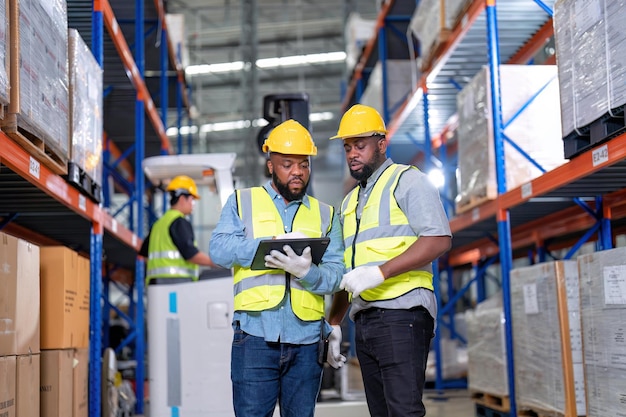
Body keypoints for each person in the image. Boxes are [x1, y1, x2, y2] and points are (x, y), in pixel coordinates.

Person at [209, 119, 345, 417]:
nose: (297, 171)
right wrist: (267, 244)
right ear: (270, 165)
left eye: (303, 164)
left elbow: (337, 276)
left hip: (307, 340)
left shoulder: (326, 215)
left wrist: (307, 272)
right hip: (255, 337)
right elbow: (218, 250)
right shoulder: (242, 202)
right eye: (287, 164)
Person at [325, 104, 452, 417]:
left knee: (403, 412)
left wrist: (381, 273)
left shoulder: (408, 181)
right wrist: (335, 321)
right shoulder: (349, 201)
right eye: (347, 147)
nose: (352, 154)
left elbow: (439, 239)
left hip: (403, 315)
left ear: (381, 144)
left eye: (360, 145)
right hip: (364, 319)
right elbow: (347, 269)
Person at [139, 174, 216, 283]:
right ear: (182, 198)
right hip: (176, 283)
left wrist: (161, 269)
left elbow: (144, 255)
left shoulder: (159, 224)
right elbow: (191, 255)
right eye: (192, 199)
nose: (193, 204)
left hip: (156, 285)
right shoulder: (179, 222)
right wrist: (215, 262)